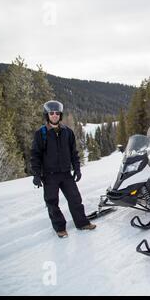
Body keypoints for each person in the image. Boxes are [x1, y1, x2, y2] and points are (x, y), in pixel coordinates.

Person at [31, 100, 96, 238]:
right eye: (51, 113)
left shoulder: (67, 132)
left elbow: (74, 153)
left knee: (75, 199)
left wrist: (77, 169)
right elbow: (35, 155)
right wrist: (36, 174)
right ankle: (60, 228)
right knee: (52, 203)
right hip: (49, 176)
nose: (54, 115)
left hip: (66, 174)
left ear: (60, 115)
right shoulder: (41, 133)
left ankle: (82, 223)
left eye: (57, 113)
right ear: (47, 115)